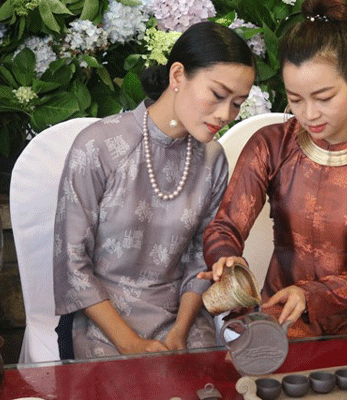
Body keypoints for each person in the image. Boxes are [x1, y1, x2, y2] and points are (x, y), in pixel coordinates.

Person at [200, 0, 347, 339]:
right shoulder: (271, 144)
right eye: (296, 99)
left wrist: (311, 295)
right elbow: (226, 225)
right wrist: (225, 257)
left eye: (324, 97)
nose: (310, 114)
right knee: (269, 363)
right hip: (284, 310)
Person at [53, 21, 256, 359]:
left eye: (237, 103)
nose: (225, 114)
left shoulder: (212, 159)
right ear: (178, 75)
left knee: (206, 382)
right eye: (218, 95)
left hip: (182, 318)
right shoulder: (97, 146)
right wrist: (130, 344)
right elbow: (71, 262)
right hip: (103, 321)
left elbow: (200, 257)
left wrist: (180, 332)